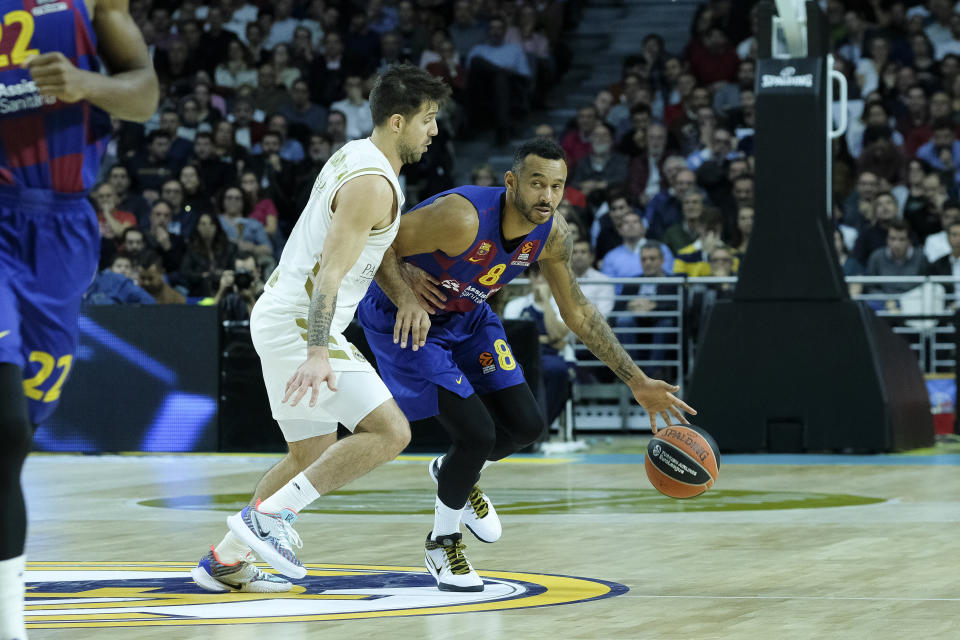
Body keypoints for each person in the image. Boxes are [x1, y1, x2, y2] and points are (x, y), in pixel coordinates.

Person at [358, 137, 695, 593]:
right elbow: (372, 240)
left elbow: (577, 312)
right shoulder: (461, 217)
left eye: (557, 187)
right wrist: (406, 285)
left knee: (527, 425)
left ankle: (454, 470)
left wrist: (635, 381)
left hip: (469, 314)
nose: (547, 197)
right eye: (538, 184)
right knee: (477, 434)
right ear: (512, 181)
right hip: (404, 315)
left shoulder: (553, 234)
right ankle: (442, 542)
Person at [191, 64, 450, 594]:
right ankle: (270, 520)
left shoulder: (357, 155)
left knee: (308, 455)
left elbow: (363, 251)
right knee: (391, 431)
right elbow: (331, 272)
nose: (435, 132)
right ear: (398, 122)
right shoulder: (374, 185)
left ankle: (225, 561)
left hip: (281, 312)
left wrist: (402, 289)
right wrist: (317, 351)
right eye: (428, 120)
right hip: (299, 323)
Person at [0, 2, 158, 637]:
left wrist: (86, 83)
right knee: (6, 425)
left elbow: (144, 93)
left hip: (63, 224)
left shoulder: (95, 6)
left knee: (23, 425)